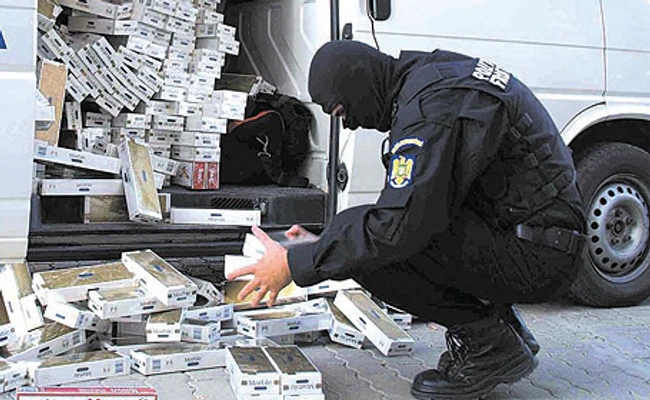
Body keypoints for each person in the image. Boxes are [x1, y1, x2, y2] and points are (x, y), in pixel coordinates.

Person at [227, 40, 587, 400]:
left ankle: (489, 345)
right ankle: (503, 330)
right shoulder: (434, 77)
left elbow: (399, 227)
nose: (349, 123)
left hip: (540, 256)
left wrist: (295, 263)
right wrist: (323, 242)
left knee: (373, 252)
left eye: (342, 110)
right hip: (538, 240)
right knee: (359, 233)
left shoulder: (431, 108)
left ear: (359, 80)